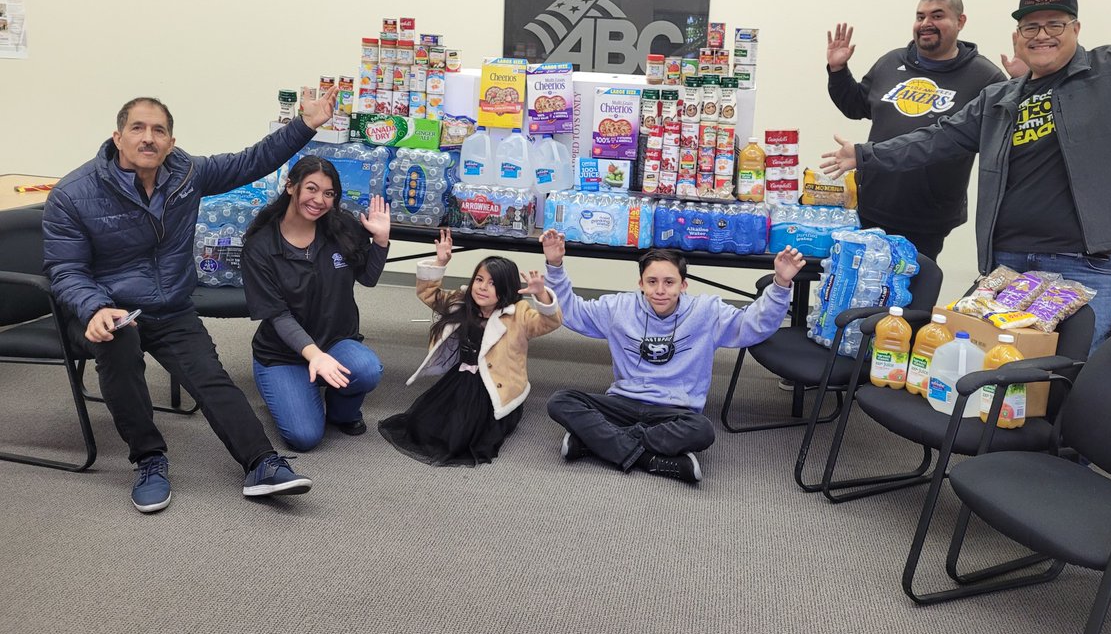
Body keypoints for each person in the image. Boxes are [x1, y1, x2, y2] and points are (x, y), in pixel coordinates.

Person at [822, 0, 1111, 352]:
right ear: (1018, 35)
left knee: (1067, 375)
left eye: (1055, 24)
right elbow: (937, 138)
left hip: (1086, 263)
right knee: (997, 371)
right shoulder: (999, 98)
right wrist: (866, 153)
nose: (1042, 35)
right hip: (1009, 260)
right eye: (1031, 26)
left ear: (1076, 29)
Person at [42, 90, 336, 513]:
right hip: (104, 310)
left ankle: (262, 463)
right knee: (120, 347)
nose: (149, 138)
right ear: (117, 137)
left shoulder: (186, 173)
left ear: (171, 142)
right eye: (138, 128)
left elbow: (251, 161)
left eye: (159, 130)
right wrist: (94, 308)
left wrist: (304, 125)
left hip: (171, 306)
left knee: (210, 376)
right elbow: (65, 269)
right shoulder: (73, 193)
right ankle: (149, 459)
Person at [539, 230, 807, 484]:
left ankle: (593, 442)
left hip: (676, 410)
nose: (660, 290)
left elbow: (754, 325)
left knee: (702, 430)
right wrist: (555, 265)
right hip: (623, 402)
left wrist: (781, 283)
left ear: (684, 284)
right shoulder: (618, 307)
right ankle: (649, 459)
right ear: (640, 283)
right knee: (561, 401)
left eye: (669, 282)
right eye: (652, 282)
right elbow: (571, 312)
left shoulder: (706, 311)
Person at [826, 0, 1013, 261]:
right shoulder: (892, 61)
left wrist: (1023, 83)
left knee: (912, 292)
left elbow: (1003, 133)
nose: (926, 23)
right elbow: (856, 107)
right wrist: (838, 71)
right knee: (862, 287)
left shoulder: (984, 76)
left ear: (960, 22)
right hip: (872, 203)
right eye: (920, 16)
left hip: (928, 215)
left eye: (937, 16)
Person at [241, 156, 390, 451]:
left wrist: (382, 241)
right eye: (311, 189)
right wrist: (314, 356)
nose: (319, 200)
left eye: (329, 193)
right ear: (291, 187)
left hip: (335, 341)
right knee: (304, 437)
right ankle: (292, 387)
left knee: (367, 369)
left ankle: (340, 410)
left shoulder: (341, 227)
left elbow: (368, 278)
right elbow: (278, 315)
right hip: (282, 354)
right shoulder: (261, 246)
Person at [379, 229, 561, 467]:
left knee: (465, 435)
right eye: (479, 279)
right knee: (426, 423)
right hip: (461, 378)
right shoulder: (461, 303)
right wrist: (440, 262)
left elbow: (550, 322)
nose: (483, 287)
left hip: (495, 385)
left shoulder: (519, 314)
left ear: (507, 288)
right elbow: (428, 293)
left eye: (493, 283)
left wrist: (542, 296)